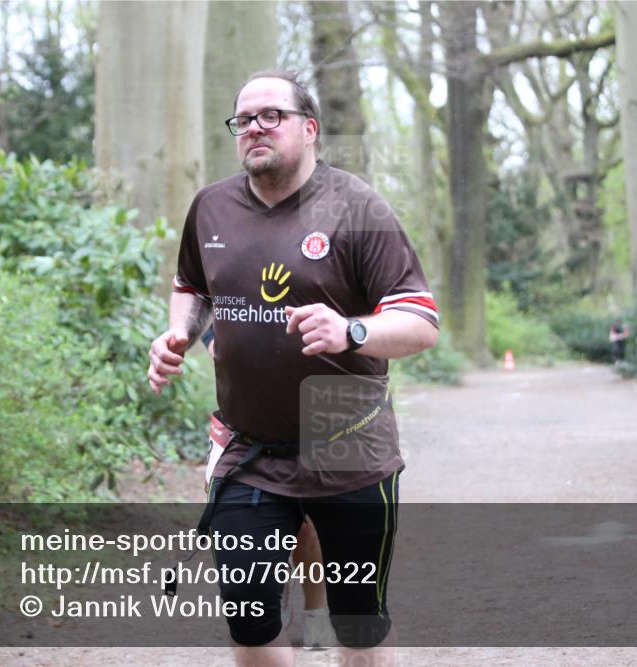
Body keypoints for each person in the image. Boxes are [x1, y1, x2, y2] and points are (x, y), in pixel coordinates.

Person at [148, 70, 439, 667]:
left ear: (308, 129)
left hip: (347, 441)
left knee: (358, 626)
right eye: (243, 120)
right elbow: (192, 286)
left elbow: (420, 320)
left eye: (270, 115)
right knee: (251, 626)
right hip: (249, 449)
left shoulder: (357, 208)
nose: (254, 127)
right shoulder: (211, 208)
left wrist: (352, 330)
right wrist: (180, 332)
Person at [203, 327, 334, 651]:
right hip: (248, 421)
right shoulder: (230, 282)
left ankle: (316, 612)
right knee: (246, 516)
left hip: (317, 412)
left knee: (308, 525)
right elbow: (210, 325)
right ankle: (271, 595)